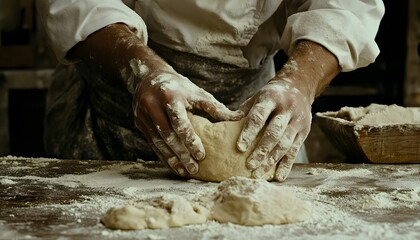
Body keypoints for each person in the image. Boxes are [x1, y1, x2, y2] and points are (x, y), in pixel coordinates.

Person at [36, 0, 384, 181]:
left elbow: (347, 6)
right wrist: (142, 72)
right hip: (114, 103)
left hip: (260, 113)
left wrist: (300, 83)